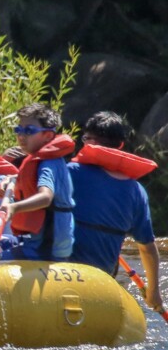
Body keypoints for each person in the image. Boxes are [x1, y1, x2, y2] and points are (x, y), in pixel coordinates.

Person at [66, 111, 161, 309]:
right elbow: (148, 248)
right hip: (101, 280)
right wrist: (153, 293)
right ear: (120, 146)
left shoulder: (70, 173)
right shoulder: (136, 191)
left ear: (87, 143)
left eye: (86, 139)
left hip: (59, 273)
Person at [0, 103, 74, 261]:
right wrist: (10, 180)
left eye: (29, 130)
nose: (21, 136)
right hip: (33, 242)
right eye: (18, 130)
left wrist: (13, 207)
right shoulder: (41, 160)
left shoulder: (48, 163)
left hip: (45, 250)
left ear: (47, 135)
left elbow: (45, 197)